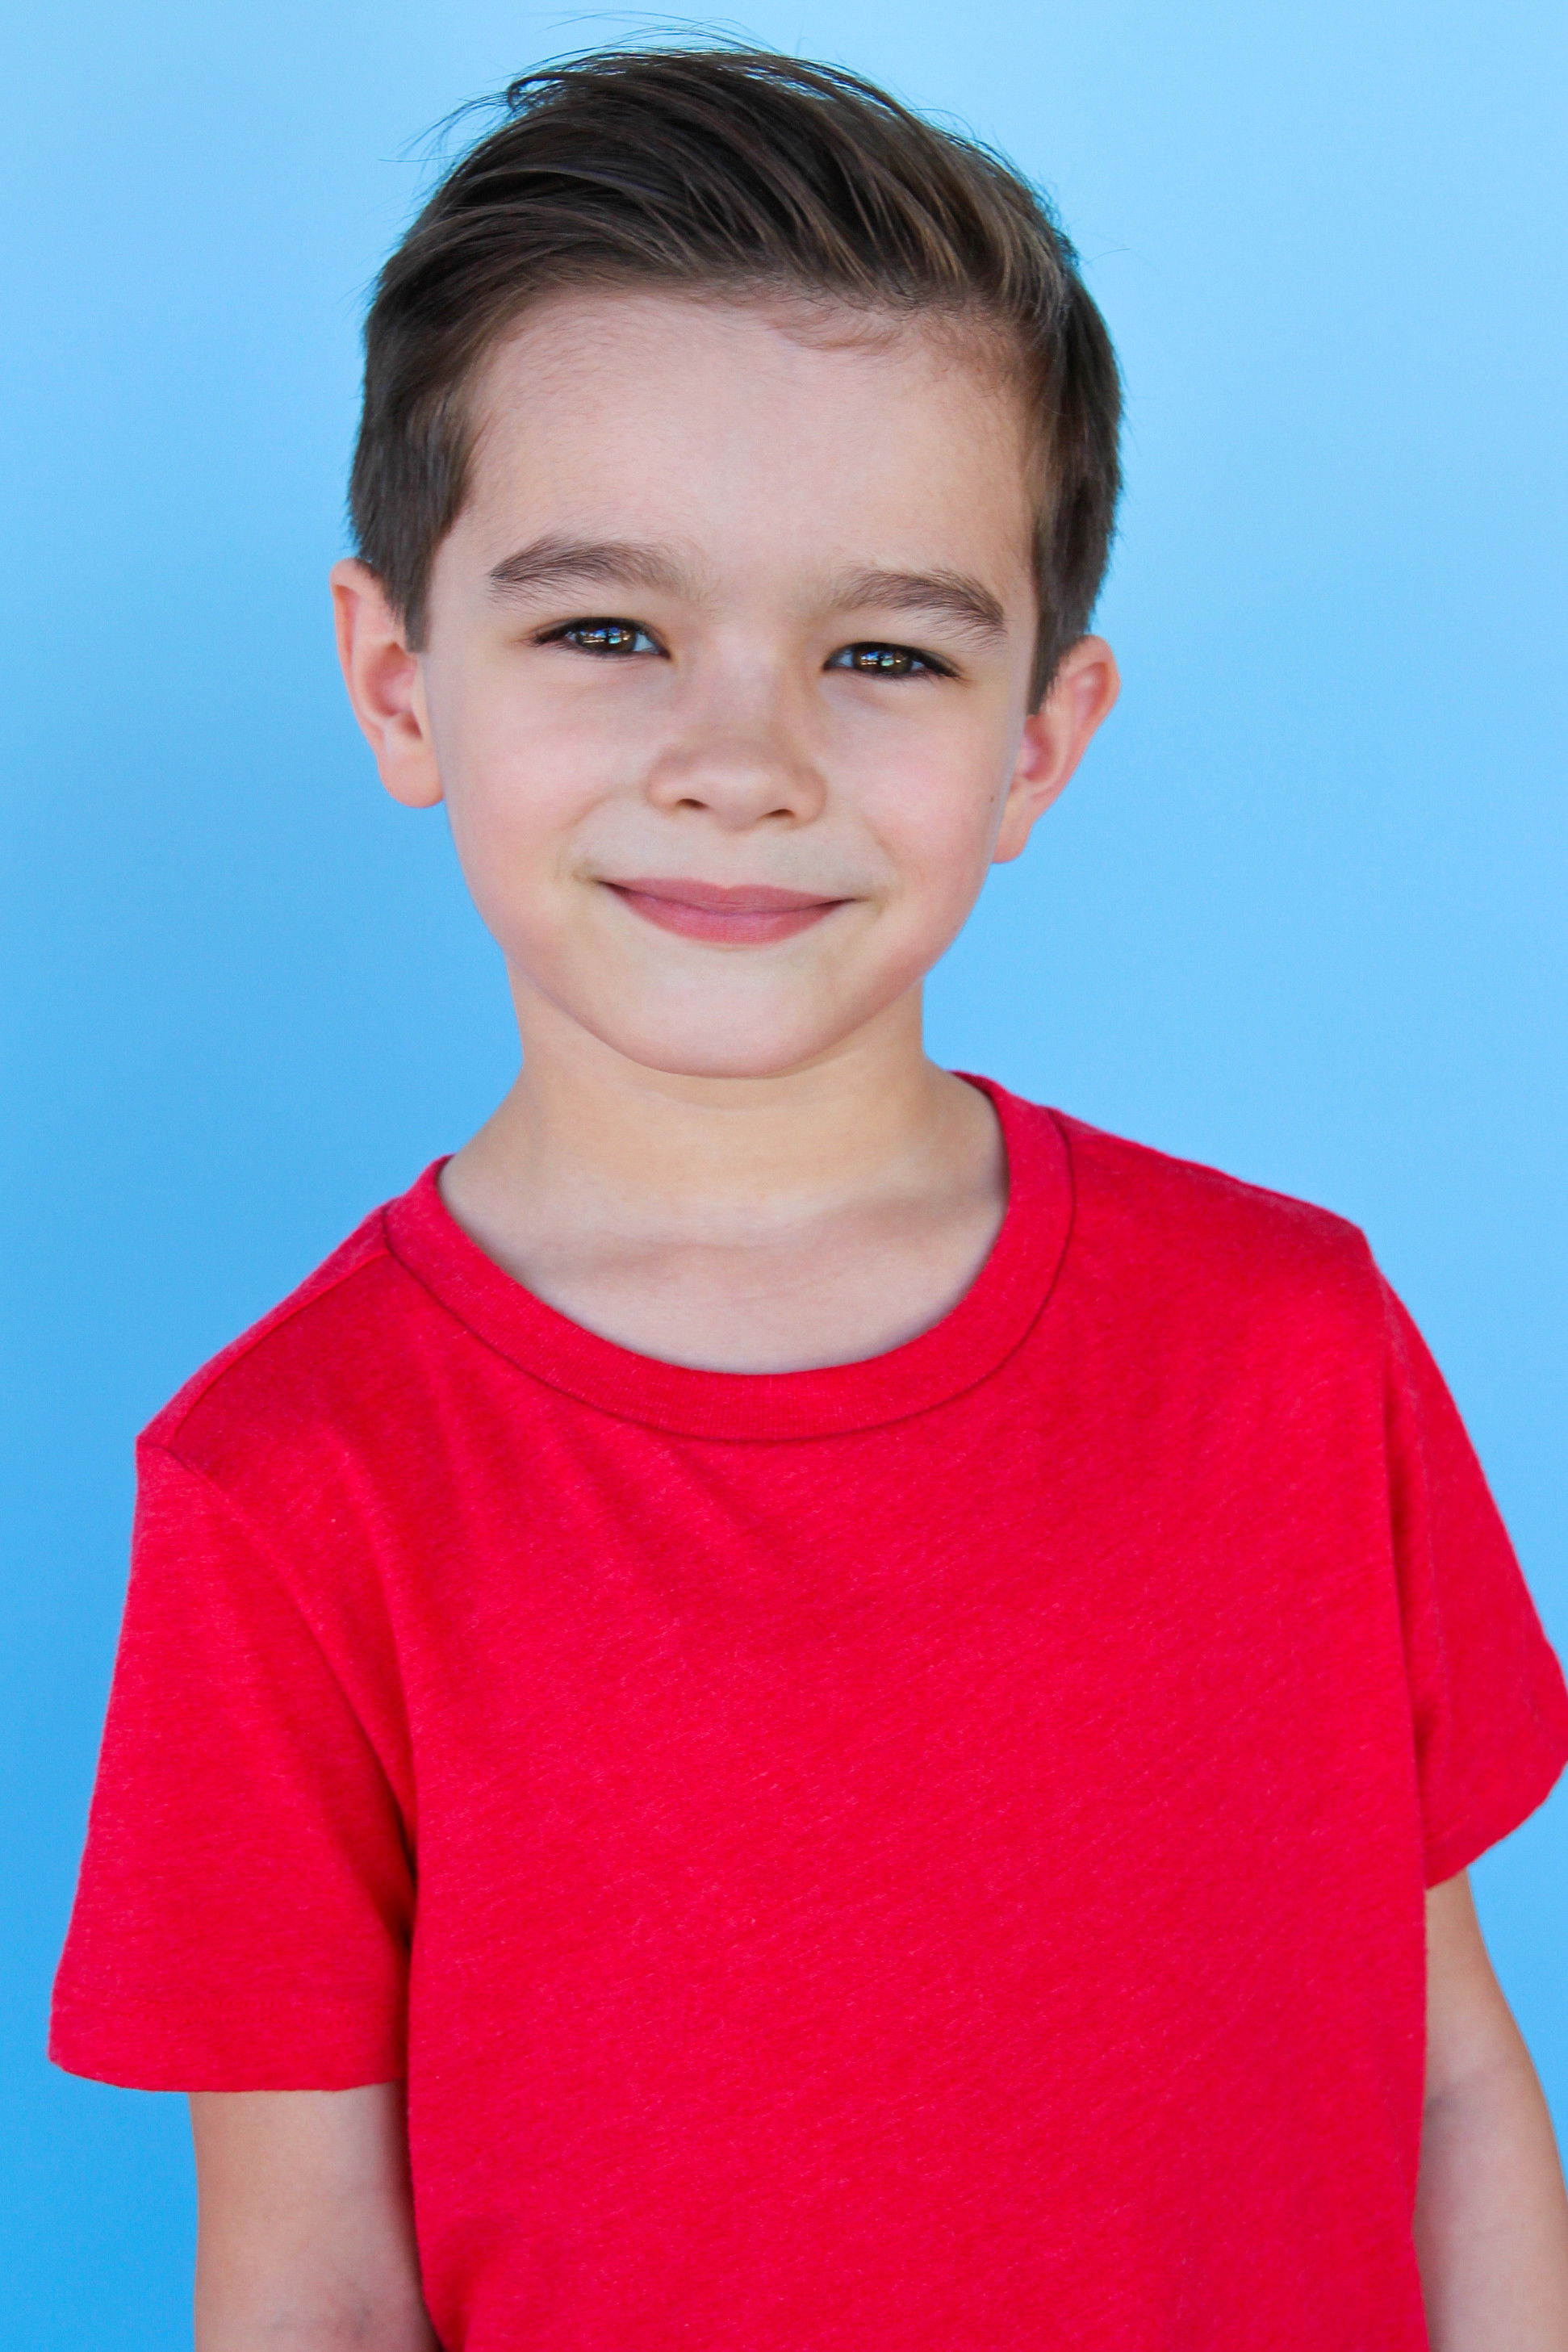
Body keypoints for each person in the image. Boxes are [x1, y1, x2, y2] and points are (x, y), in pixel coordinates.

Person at [49, 45, 1568, 2352]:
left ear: (1039, 741)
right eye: (606, 630)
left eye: (882, 653)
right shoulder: (287, 1485)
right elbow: (311, 2282)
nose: (741, 762)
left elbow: (1450, 2077)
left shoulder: (1289, 1341)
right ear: (398, 681)